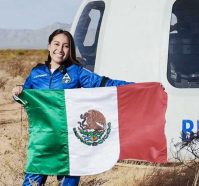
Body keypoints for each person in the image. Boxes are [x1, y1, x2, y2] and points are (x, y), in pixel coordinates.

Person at [12, 29, 132, 186]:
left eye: (66, 46)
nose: (60, 49)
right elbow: (25, 97)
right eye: (56, 44)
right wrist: (17, 92)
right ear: (49, 46)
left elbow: (104, 83)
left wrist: (136, 88)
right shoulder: (36, 72)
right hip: (42, 141)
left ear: (70, 50)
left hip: (69, 144)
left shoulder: (76, 72)